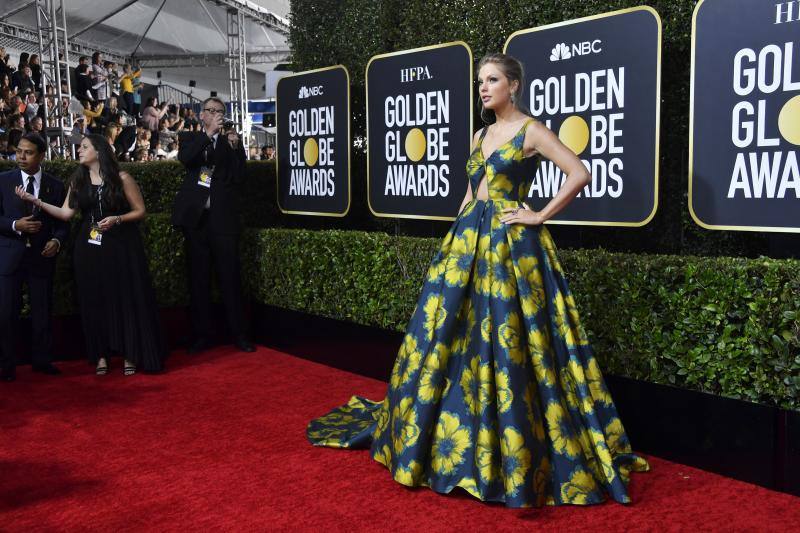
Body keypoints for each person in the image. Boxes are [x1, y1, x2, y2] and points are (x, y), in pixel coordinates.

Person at [306, 53, 649, 508]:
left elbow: (580, 172)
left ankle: (517, 448)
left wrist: (538, 214)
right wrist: (456, 238)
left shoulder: (532, 130)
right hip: (468, 242)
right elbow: (472, 191)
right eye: (480, 81)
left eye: (492, 80)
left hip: (511, 247)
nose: (483, 88)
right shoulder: (480, 134)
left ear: (514, 85)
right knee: (452, 337)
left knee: (512, 337)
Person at [15, 134, 164, 375]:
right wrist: (36, 201)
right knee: (93, 299)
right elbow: (65, 214)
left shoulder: (122, 178)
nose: (80, 150)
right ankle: (100, 355)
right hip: (88, 247)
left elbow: (140, 211)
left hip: (120, 245)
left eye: (84, 147)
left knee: (123, 298)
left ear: (99, 151)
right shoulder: (77, 180)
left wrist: (117, 219)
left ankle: (130, 354)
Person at [172, 96, 254, 354]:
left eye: (220, 111)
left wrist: (235, 145)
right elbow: (186, 159)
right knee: (198, 279)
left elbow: (240, 176)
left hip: (224, 220)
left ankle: (239, 333)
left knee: (230, 277)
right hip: (196, 221)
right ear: (201, 115)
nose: (217, 114)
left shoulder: (231, 140)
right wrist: (208, 134)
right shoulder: (190, 138)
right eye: (211, 111)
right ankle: (201, 334)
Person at [0, 133, 69, 381]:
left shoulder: (56, 185)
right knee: (6, 312)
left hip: (41, 256)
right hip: (9, 258)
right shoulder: (3, 181)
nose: (21, 156)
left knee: (42, 310)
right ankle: (6, 365)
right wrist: (15, 225)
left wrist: (57, 240)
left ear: (41, 155)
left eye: (28, 152)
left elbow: (63, 221)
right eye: (18, 151)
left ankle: (42, 360)